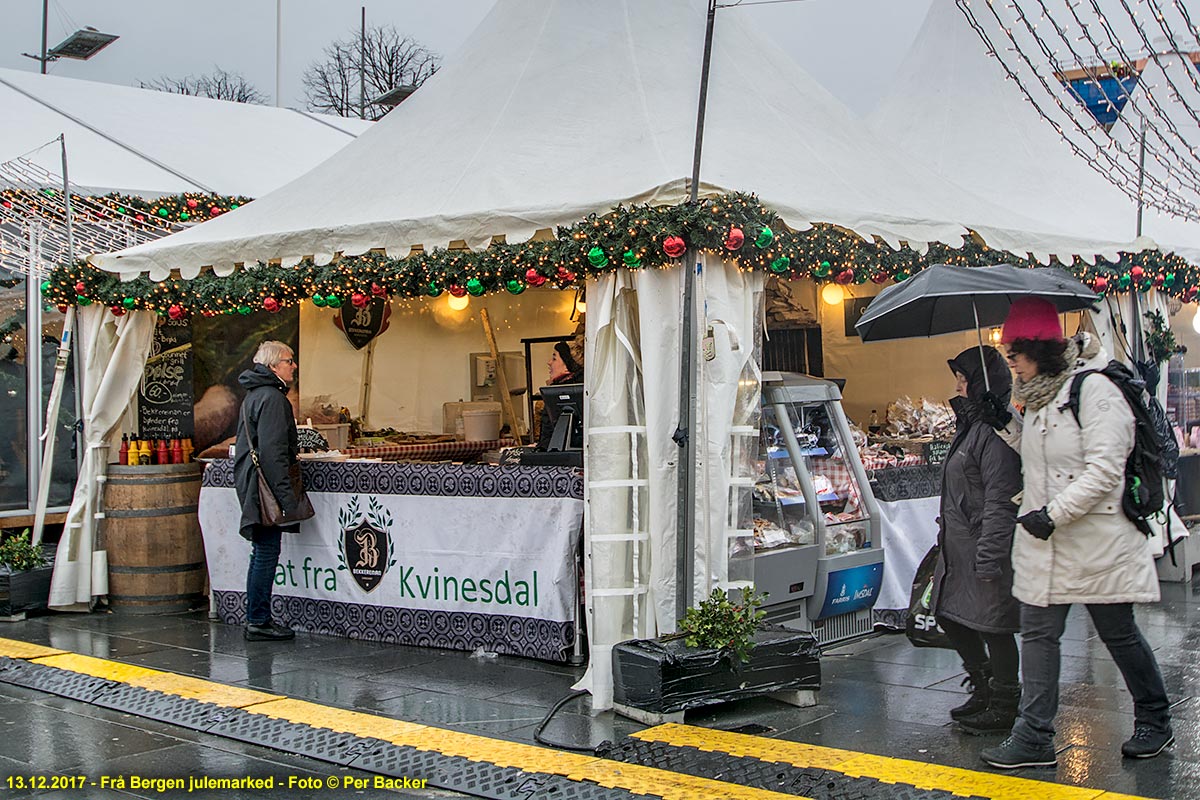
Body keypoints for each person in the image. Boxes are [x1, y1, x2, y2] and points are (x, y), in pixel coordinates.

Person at [978, 297, 1172, 769]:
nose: (1012, 366)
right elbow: (1042, 455)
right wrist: (1004, 422)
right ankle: (1034, 737)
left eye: (1015, 356)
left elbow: (1105, 469)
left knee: (1118, 633)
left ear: (1040, 350)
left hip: (1097, 541)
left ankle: (1155, 718)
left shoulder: (1095, 390)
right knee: (1039, 635)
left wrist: (1054, 514)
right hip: (1048, 544)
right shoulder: (1043, 395)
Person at [929, 346, 1022, 735]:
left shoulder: (995, 432)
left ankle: (1004, 703)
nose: (957, 386)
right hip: (959, 544)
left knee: (993, 625)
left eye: (963, 379)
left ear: (981, 383)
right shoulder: (970, 426)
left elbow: (1001, 499)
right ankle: (982, 686)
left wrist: (989, 556)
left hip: (985, 545)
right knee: (950, 615)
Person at [234, 341, 300, 642]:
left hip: (252, 480)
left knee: (260, 550)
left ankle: (256, 617)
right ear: (274, 366)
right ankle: (258, 620)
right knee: (266, 552)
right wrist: (287, 499)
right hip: (265, 486)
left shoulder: (254, 395)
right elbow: (274, 453)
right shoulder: (273, 398)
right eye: (289, 361)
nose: (293, 366)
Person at [536, 338, 583, 450]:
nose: (549, 362)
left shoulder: (563, 393)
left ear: (567, 367)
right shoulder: (554, 391)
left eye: (554, 358)